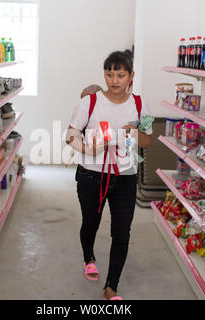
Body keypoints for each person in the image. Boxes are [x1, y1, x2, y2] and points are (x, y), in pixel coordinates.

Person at [66, 51, 153, 300]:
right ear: (104, 74)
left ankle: (111, 286)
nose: (114, 80)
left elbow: (148, 140)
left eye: (120, 75)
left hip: (125, 176)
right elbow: (70, 135)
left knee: (122, 231)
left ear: (131, 76)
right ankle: (88, 257)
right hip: (91, 176)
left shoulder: (139, 103)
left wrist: (135, 134)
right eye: (109, 74)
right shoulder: (89, 102)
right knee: (90, 224)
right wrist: (87, 148)